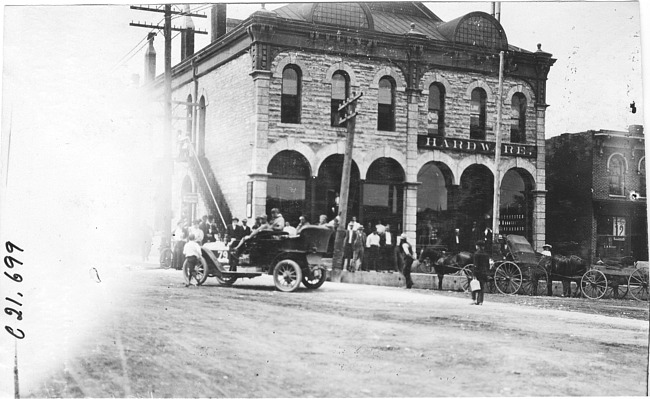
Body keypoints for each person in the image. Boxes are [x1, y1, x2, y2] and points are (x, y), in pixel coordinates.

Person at [472, 240, 490, 305]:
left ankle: (474, 300)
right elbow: (488, 265)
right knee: (482, 287)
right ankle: (480, 301)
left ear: (478, 246)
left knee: (474, 285)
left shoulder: (476, 254)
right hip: (484, 272)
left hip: (478, 272)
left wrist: (474, 273)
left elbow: (475, 265)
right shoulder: (486, 254)